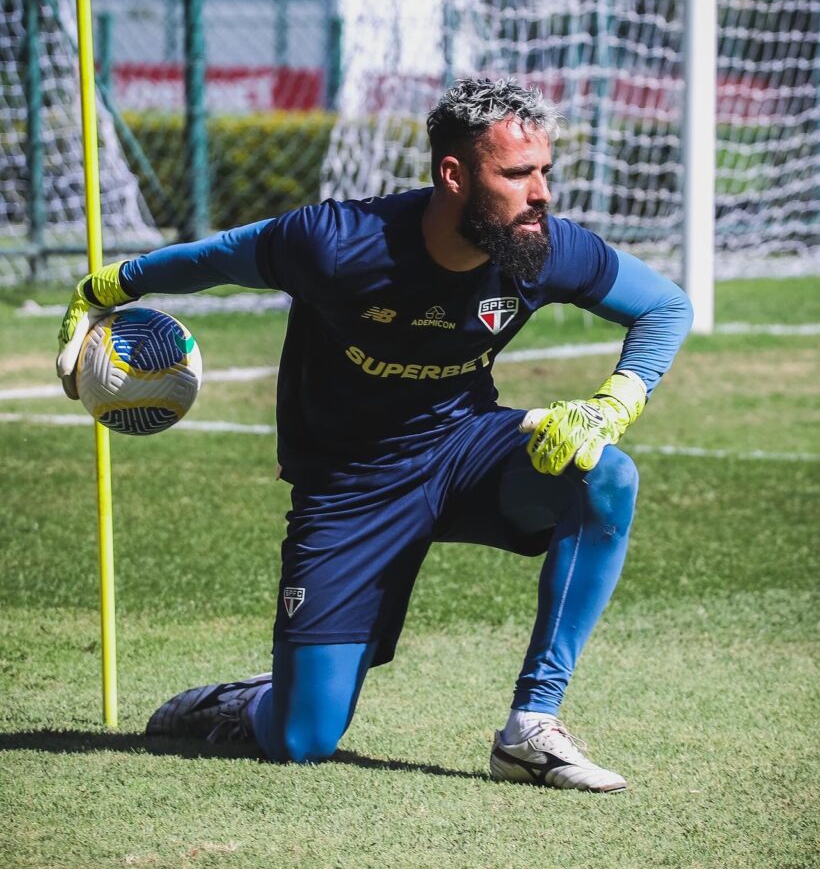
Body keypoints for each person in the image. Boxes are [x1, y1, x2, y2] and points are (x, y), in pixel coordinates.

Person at [57, 77, 692, 792]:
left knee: (605, 472)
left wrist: (613, 403)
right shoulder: (336, 244)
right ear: (453, 174)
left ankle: (531, 725)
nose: (540, 193)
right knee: (304, 738)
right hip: (349, 488)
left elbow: (665, 307)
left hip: (464, 449)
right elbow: (219, 257)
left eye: (544, 171)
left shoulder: (542, 247)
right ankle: (242, 702)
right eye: (517, 174)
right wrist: (108, 288)